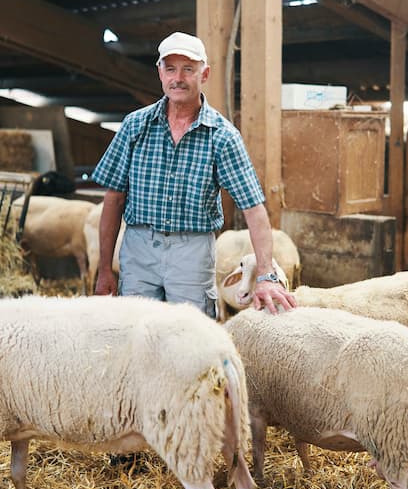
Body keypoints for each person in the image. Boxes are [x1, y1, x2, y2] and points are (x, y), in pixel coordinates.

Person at [91, 31, 295, 315]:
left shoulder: (222, 136)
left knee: (190, 338)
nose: (178, 78)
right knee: (136, 331)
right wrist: (104, 269)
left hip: (191, 252)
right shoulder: (134, 126)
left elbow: (253, 208)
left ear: (205, 74)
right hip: (139, 248)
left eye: (188, 69)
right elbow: (113, 200)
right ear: (159, 72)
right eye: (170, 68)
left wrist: (265, 276)